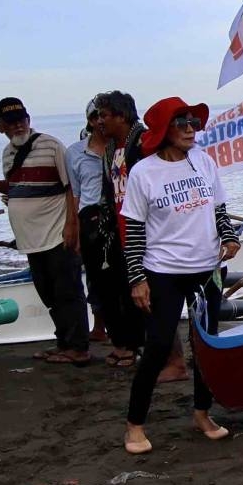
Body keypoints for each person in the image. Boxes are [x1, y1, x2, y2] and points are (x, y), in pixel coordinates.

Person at [122, 96, 240, 454]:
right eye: (182, 123)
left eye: (194, 122)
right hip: (164, 273)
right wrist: (136, 279)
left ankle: (202, 414)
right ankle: (134, 426)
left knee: (206, 342)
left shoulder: (204, 161)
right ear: (163, 131)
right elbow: (134, 229)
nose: (192, 129)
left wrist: (229, 236)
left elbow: (219, 210)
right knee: (158, 346)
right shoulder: (144, 172)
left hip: (207, 270)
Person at [0, 97, 89, 365]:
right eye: (11, 122)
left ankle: (78, 347)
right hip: (30, 240)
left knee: (68, 291)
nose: (18, 126)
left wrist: (71, 226)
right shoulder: (7, 154)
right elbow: (20, 184)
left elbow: (70, 187)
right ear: (0, 127)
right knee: (48, 294)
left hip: (56, 234)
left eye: (22, 120)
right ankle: (64, 342)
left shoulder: (51, 145)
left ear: (29, 120)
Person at [67, 98, 135, 362]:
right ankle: (118, 340)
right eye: (96, 116)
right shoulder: (75, 153)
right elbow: (73, 194)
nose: (100, 121)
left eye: (104, 116)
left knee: (125, 284)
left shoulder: (122, 147)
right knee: (100, 285)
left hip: (120, 217)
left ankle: (129, 344)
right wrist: (71, 227)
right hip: (91, 218)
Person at [92, 90, 148, 366]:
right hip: (119, 230)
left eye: (104, 115)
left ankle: (146, 349)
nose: (99, 121)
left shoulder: (144, 143)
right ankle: (128, 344)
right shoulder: (111, 150)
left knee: (146, 294)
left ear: (122, 116)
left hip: (146, 232)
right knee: (121, 292)